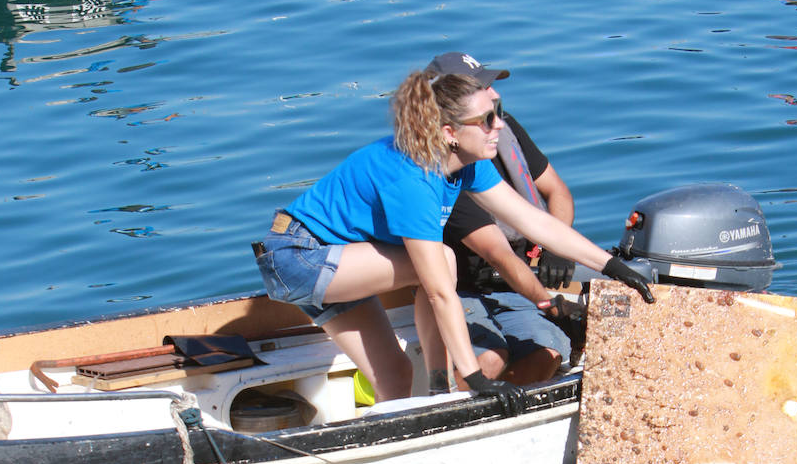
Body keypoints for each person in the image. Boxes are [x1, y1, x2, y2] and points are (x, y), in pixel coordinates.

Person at [253, 68, 652, 409]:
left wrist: (613, 266)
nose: (499, 125)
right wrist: (476, 376)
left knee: (395, 376)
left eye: (497, 114)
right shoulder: (413, 178)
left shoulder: (466, 167)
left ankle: (412, 450)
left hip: (340, 258)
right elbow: (441, 292)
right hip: (297, 257)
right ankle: (445, 383)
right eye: (486, 120)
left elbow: (536, 222)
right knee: (441, 261)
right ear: (450, 133)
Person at [426, 50, 580, 385]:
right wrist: (553, 308)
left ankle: (504, 413)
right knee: (490, 359)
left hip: (515, 287)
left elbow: (558, 192)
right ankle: (461, 416)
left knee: (548, 353)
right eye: (482, 89)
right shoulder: (441, 168)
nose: (495, 95)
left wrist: (557, 245)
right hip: (462, 290)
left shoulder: (503, 129)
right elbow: (497, 253)